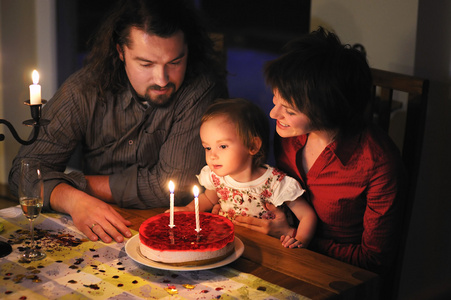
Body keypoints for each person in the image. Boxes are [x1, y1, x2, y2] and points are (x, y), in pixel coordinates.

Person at [8, 0, 228, 244]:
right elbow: (22, 174)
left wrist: (70, 184)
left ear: (188, 49)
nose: (162, 79)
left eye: (175, 62)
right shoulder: (84, 89)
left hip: (180, 230)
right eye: (146, 64)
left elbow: (166, 184)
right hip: (97, 228)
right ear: (121, 51)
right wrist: (72, 199)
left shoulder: (201, 88)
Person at [232, 28, 406, 275]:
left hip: (336, 274)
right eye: (275, 99)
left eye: (290, 111)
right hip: (280, 255)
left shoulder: (377, 164)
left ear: (327, 112)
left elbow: (373, 259)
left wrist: (296, 236)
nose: (274, 114)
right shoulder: (290, 137)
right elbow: (276, 188)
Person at [170, 98, 317, 248]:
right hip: (230, 245)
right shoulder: (216, 177)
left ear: (253, 146)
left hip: (268, 250)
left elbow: (307, 216)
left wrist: (300, 241)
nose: (212, 155)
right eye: (207, 148)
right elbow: (208, 198)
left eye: (222, 146)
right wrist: (189, 209)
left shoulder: (274, 183)